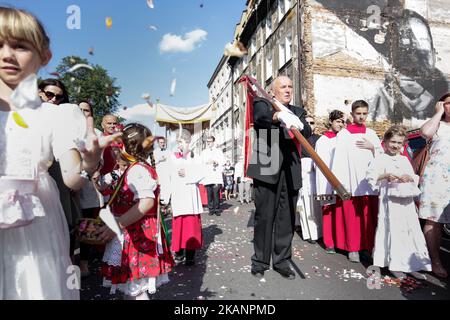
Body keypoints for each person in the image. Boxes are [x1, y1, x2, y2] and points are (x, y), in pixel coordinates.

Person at [0, 7, 120, 299]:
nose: (7, 54)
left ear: (44, 56)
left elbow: (71, 179)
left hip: (36, 226)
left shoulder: (54, 115)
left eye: (19, 45)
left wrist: (90, 161)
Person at [98, 123, 174, 300]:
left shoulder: (137, 170)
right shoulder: (137, 168)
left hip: (136, 234)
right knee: (133, 289)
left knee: (136, 290)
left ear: (126, 146)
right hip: (134, 231)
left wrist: (116, 225)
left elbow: (146, 202)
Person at [247, 76, 311, 279]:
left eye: (290, 86)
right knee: (264, 216)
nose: (288, 89)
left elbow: (307, 132)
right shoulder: (263, 103)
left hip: (290, 170)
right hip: (267, 167)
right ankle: (260, 260)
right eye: (283, 86)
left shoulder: (298, 112)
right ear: (273, 90)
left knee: (287, 218)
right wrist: (278, 116)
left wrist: (299, 123)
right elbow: (260, 118)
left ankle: (282, 261)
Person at [367, 125, 431, 279]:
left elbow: (413, 176)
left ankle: (411, 264)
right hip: (390, 203)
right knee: (393, 231)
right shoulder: (380, 159)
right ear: (386, 141)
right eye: (393, 142)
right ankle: (395, 264)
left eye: (399, 143)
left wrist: (410, 178)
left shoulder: (403, 159)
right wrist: (386, 175)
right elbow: (371, 178)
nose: (395, 146)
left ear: (403, 144)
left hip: (405, 202)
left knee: (408, 232)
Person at [330, 100, 383, 262]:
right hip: (350, 182)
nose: (361, 117)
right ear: (352, 114)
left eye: (364, 114)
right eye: (358, 113)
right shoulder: (344, 135)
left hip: (369, 184)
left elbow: (381, 155)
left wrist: (373, 148)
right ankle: (353, 248)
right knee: (352, 217)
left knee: (367, 218)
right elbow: (338, 159)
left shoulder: (372, 134)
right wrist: (340, 184)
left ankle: (367, 247)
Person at [38, 78, 83, 262]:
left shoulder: (62, 116)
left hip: (55, 175)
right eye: (50, 94)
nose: (54, 100)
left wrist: (85, 166)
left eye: (59, 97)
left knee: (63, 222)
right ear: (39, 92)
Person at [418, 94, 450, 278]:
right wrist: (438, 113)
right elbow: (425, 133)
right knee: (433, 221)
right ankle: (435, 261)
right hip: (436, 179)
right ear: (441, 105)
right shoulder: (437, 125)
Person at [160, 129, 203, 266]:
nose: (179, 145)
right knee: (179, 226)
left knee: (192, 227)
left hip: (191, 198)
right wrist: (165, 198)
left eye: (182, 141)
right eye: (178, 142)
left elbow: (203, 173)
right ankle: (178, 253)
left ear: (188, 142)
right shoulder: (172, 157)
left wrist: (188, 172)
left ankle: (190, 255)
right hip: (178, 196)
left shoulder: (195, 156)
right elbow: (167, 177)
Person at [76, 101, 104, 277]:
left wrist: (97, 171)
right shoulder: (67, 129)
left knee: (86, 223)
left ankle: (84, 261)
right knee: (70, 223)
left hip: (88, 186)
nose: (83, 113)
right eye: (80, 110)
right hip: (68, 183)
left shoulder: (97, 134)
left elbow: (100, 161)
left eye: (87, 110)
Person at [315, 110, 346, 254]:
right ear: (331, 122)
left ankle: (339, 241)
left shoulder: (342, 138)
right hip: (326, 181)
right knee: (328, 210)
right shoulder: (323, 141)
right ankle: (329, 242)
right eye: (338, 121)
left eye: (343, 122)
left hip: (340, 181)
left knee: (339, 212)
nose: (341, 124)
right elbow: (320, 164)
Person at [296, 115, 322, 244]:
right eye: (307, 123)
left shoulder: (320, 139)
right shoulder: (297, 139)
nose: (309, 125)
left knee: (318, 205)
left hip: (317, 175)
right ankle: (310, 233)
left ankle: (319, 232)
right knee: (305, 205)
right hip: (303, 176)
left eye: (312, 122)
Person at [200, 136, 225, 216]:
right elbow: (200, 162)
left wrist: (216, 162)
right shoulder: (204, 152)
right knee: (209, 194)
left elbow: (223, 161)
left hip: (216, 176)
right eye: (207, 141)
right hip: (208, 176)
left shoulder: (218, 151)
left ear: (213, 142)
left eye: (210, 141)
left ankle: (217, 209)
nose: (208, 143)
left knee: (216, 193)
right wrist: (206, 163)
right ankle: (211, 209)